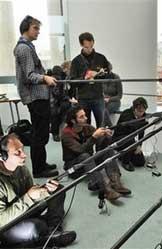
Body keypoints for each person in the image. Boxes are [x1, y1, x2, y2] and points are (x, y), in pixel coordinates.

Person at [0, 134, 76, 248]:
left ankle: (52, 231)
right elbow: (1, 220)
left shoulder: (21, 168)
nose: (24, 154)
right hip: (6, 227)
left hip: (24, 211)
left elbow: (30, 192)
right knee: (36, 227)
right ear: (2, 156)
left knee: (58, 190)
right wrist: (29, 198)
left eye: (22, 149)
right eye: (17, 152)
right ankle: (49, 236)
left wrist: (45, 190)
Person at [13, 15, 58, 178]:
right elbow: (29, 75)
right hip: (35, 97)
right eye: (35, 28)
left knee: (42, 133)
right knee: (39, 135)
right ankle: (39, 170)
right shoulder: (24, 48)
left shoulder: (28, 46)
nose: (38, 31)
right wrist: (44, 78)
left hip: (39, 96)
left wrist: (46, 75)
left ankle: (42, 163)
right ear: (26, 28)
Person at [61, 105, 131, 202]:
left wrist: (105, 136)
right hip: (74, 168)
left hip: (89, 161)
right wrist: (94, 137)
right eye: (81, 117)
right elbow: (81, 150)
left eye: (85, 115)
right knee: (85, 156)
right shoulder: (66, 134)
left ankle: (116, 182)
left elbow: (100, 143)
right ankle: (105, 189)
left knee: (108, 150)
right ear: (73, 121)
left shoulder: (87, 128)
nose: (86, 118)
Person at [70, 32, 111, 128]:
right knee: (84, 126)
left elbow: (108, 74)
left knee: (101, 125)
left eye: (91, 46)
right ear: (81, 45)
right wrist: (84, 78)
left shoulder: (101, 58)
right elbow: (72, 81)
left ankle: (101, 143)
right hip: (83, 98)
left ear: (93, 43)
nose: (89, 49)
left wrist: (99, 74)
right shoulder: (76, 61)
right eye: (86, 47)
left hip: (98, 97)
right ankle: (87, 143)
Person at [112, 97, 148, 172]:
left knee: (140, 162)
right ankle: (125, 162)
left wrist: (139, 146)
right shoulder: (126, 114)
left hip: (131, 141)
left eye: (143, 111)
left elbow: (141, 132)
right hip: (119, 140)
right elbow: (134, 126)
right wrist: (146, 122)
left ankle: (122, 155)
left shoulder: (143, 116)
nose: (141, 113)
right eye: (139, 111)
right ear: (134, 109)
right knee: (130, 140)